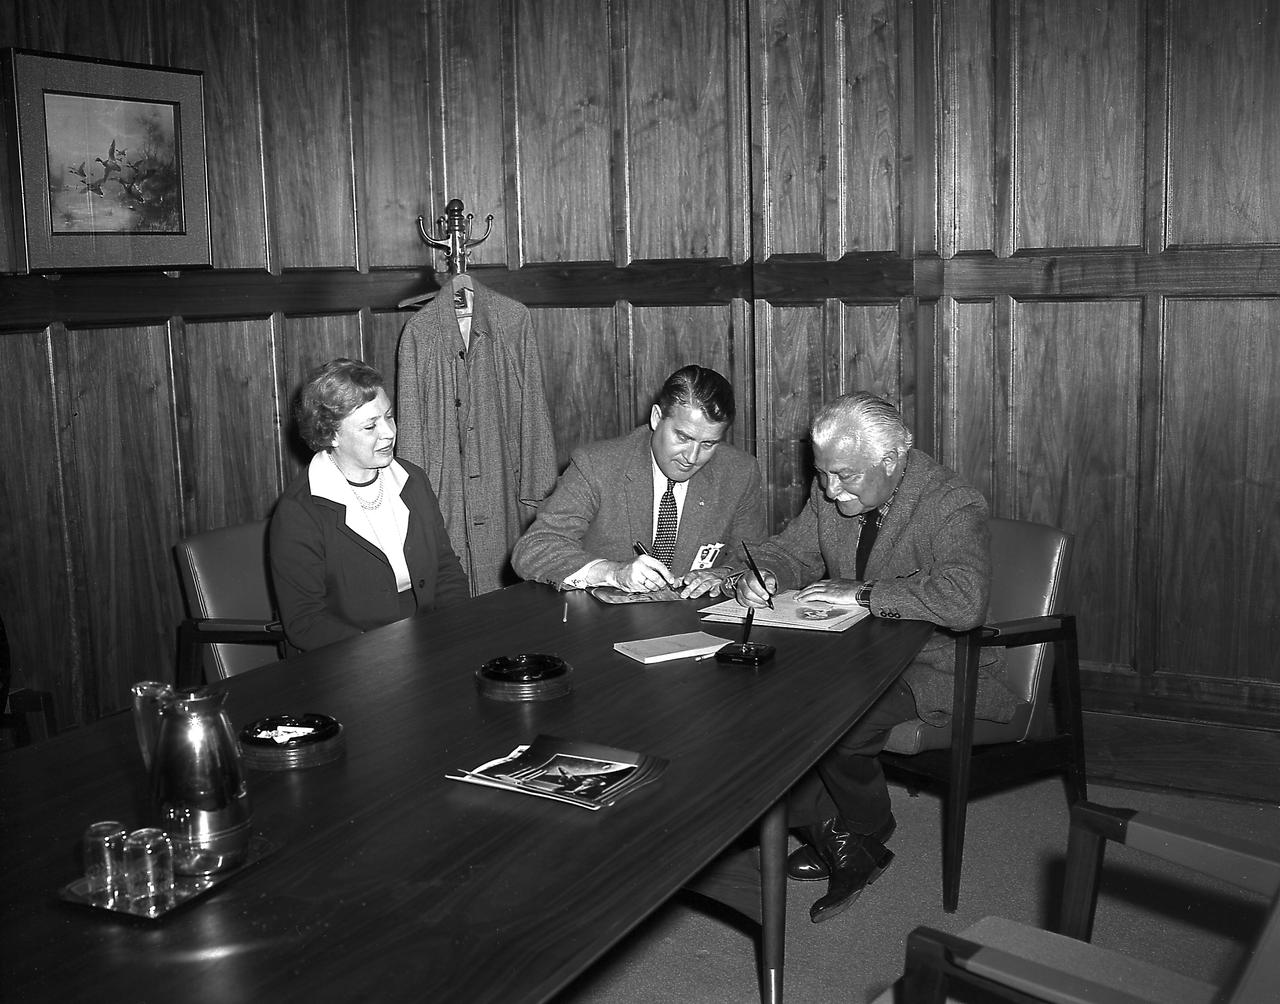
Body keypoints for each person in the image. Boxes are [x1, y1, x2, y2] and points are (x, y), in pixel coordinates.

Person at [732, 391, 1015, 924]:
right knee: (759, 702)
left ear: (891, 461)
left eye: (844, 476)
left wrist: (863, 594)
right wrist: (767, 574)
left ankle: (860, 832)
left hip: (934, 663)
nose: (831, 489)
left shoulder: (950, 503)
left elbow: (964, 598)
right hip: (851, 655)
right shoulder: (833, 488)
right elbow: (790, 551)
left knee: (833, 722)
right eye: (823, 475)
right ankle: (845, 836)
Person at [512, 365, 767, 597]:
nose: (691, 457)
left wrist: (723, 576)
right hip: (602, 626)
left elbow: (751, 557)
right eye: (682, 437)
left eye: (708, 444)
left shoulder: (739, 472)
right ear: (657, 418)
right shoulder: (597, 465)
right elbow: (534, 548)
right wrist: (613, 573)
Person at [270, 358, 469, 652]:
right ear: (331, 434)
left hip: (429, 640)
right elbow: (306, 622)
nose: (388, 432)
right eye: (370, 426)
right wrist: (386, 653)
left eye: (388, 417)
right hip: (351, 658)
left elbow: (445, 569)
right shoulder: (300, 512)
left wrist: (453, 629)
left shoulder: (411, 478)